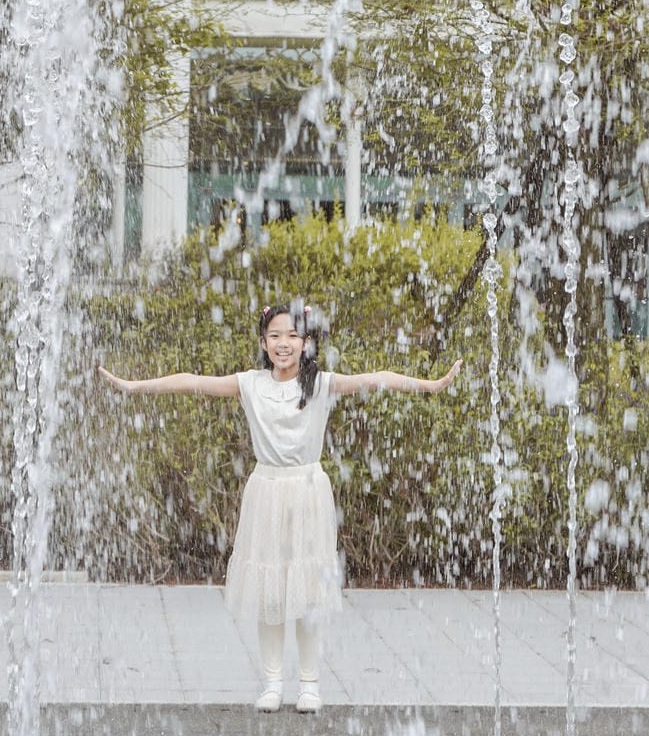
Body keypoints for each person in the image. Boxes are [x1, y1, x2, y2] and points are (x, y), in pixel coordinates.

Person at [98, 301, 462, 714]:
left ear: (306, 342)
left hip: (306, 489)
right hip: (266, 490)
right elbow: (194, 381)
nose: (283, 343)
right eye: (275, 336)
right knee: (269, 589)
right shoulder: (251, 383)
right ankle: (272, 681)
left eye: (292, 335)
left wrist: (431, 385)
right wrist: (135, 387)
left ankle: (309, 683)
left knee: (306, 590)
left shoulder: (321, 383)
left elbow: (376, 378)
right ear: (263, 342)